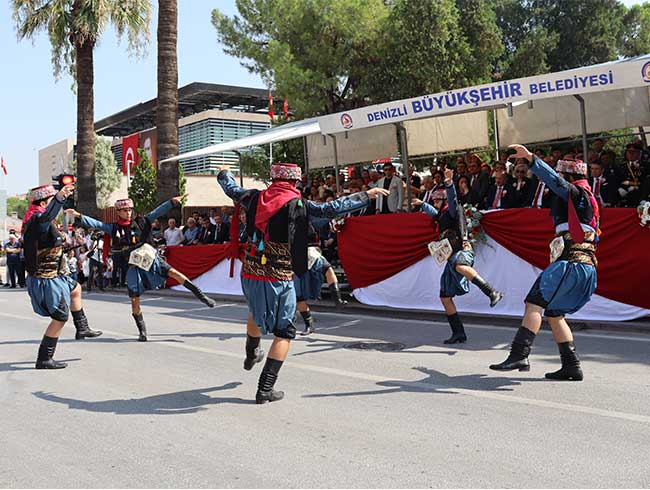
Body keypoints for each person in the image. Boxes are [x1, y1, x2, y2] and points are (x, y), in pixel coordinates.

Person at [217, 163, 389, 404]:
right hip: (279, 275)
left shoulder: (253, 197)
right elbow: (330, 209)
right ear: (294, 182)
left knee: (255, 311)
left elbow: (231, 189)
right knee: (284, 332)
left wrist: (224, 173)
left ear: (273, 180)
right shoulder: (298, 204)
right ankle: (265, 390)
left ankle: (252, 352)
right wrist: (365, 196)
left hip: (251, 270)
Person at [490, 145, 600, 381]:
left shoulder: (577, 194)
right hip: (583, 265)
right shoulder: (585, 199)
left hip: (570, 263)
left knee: (534, 303)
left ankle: (519, 354)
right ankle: (571, 365)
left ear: (569, 177)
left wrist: (532, 159)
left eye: (561, 174)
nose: (557, 179)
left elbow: (556, 183)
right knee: (554, 313)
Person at [66, 196, 215, 342]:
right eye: (124, 210)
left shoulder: (141, 221)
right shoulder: (113, 228)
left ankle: (202, 296)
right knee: (134, 299)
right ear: (118, 212)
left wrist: (172, 202)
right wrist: (78, 215)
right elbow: (96, 223)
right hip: (134, 265)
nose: (128, 213)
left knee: (174, 273)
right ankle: (142, 331)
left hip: (149, 258)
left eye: (130, 210)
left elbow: (157, 211)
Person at [412, 168, 503, 344]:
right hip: (451, 256)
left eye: (438, 199)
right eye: (434, 200)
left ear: (444, 200)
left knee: (460, 265)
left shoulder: (452, 210)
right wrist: (422, 204)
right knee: (445, 297)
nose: (434, 202)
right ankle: (459, 333)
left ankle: (492, 292)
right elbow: (434, 214)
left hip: (462, 249)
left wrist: (448, 183)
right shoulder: (442, 215)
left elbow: (452, 199)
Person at [22, 184, 102, 369]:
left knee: (76, 289)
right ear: (43, 203)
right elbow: (46, 218)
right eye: (51, 201)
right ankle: (44, 358)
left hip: (57, 275)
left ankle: (82, 328)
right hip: (47, 278)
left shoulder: (40, 221)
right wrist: (59, 197)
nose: (54, 206)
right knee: (60, 317)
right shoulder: (37, 219)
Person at [294, 223, 347, 336]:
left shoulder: (310, 219)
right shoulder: (287, 222)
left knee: (328, 270)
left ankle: (338, 300)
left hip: (312, 252)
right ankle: (309, 324)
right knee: (299, 297)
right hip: (296, 256)